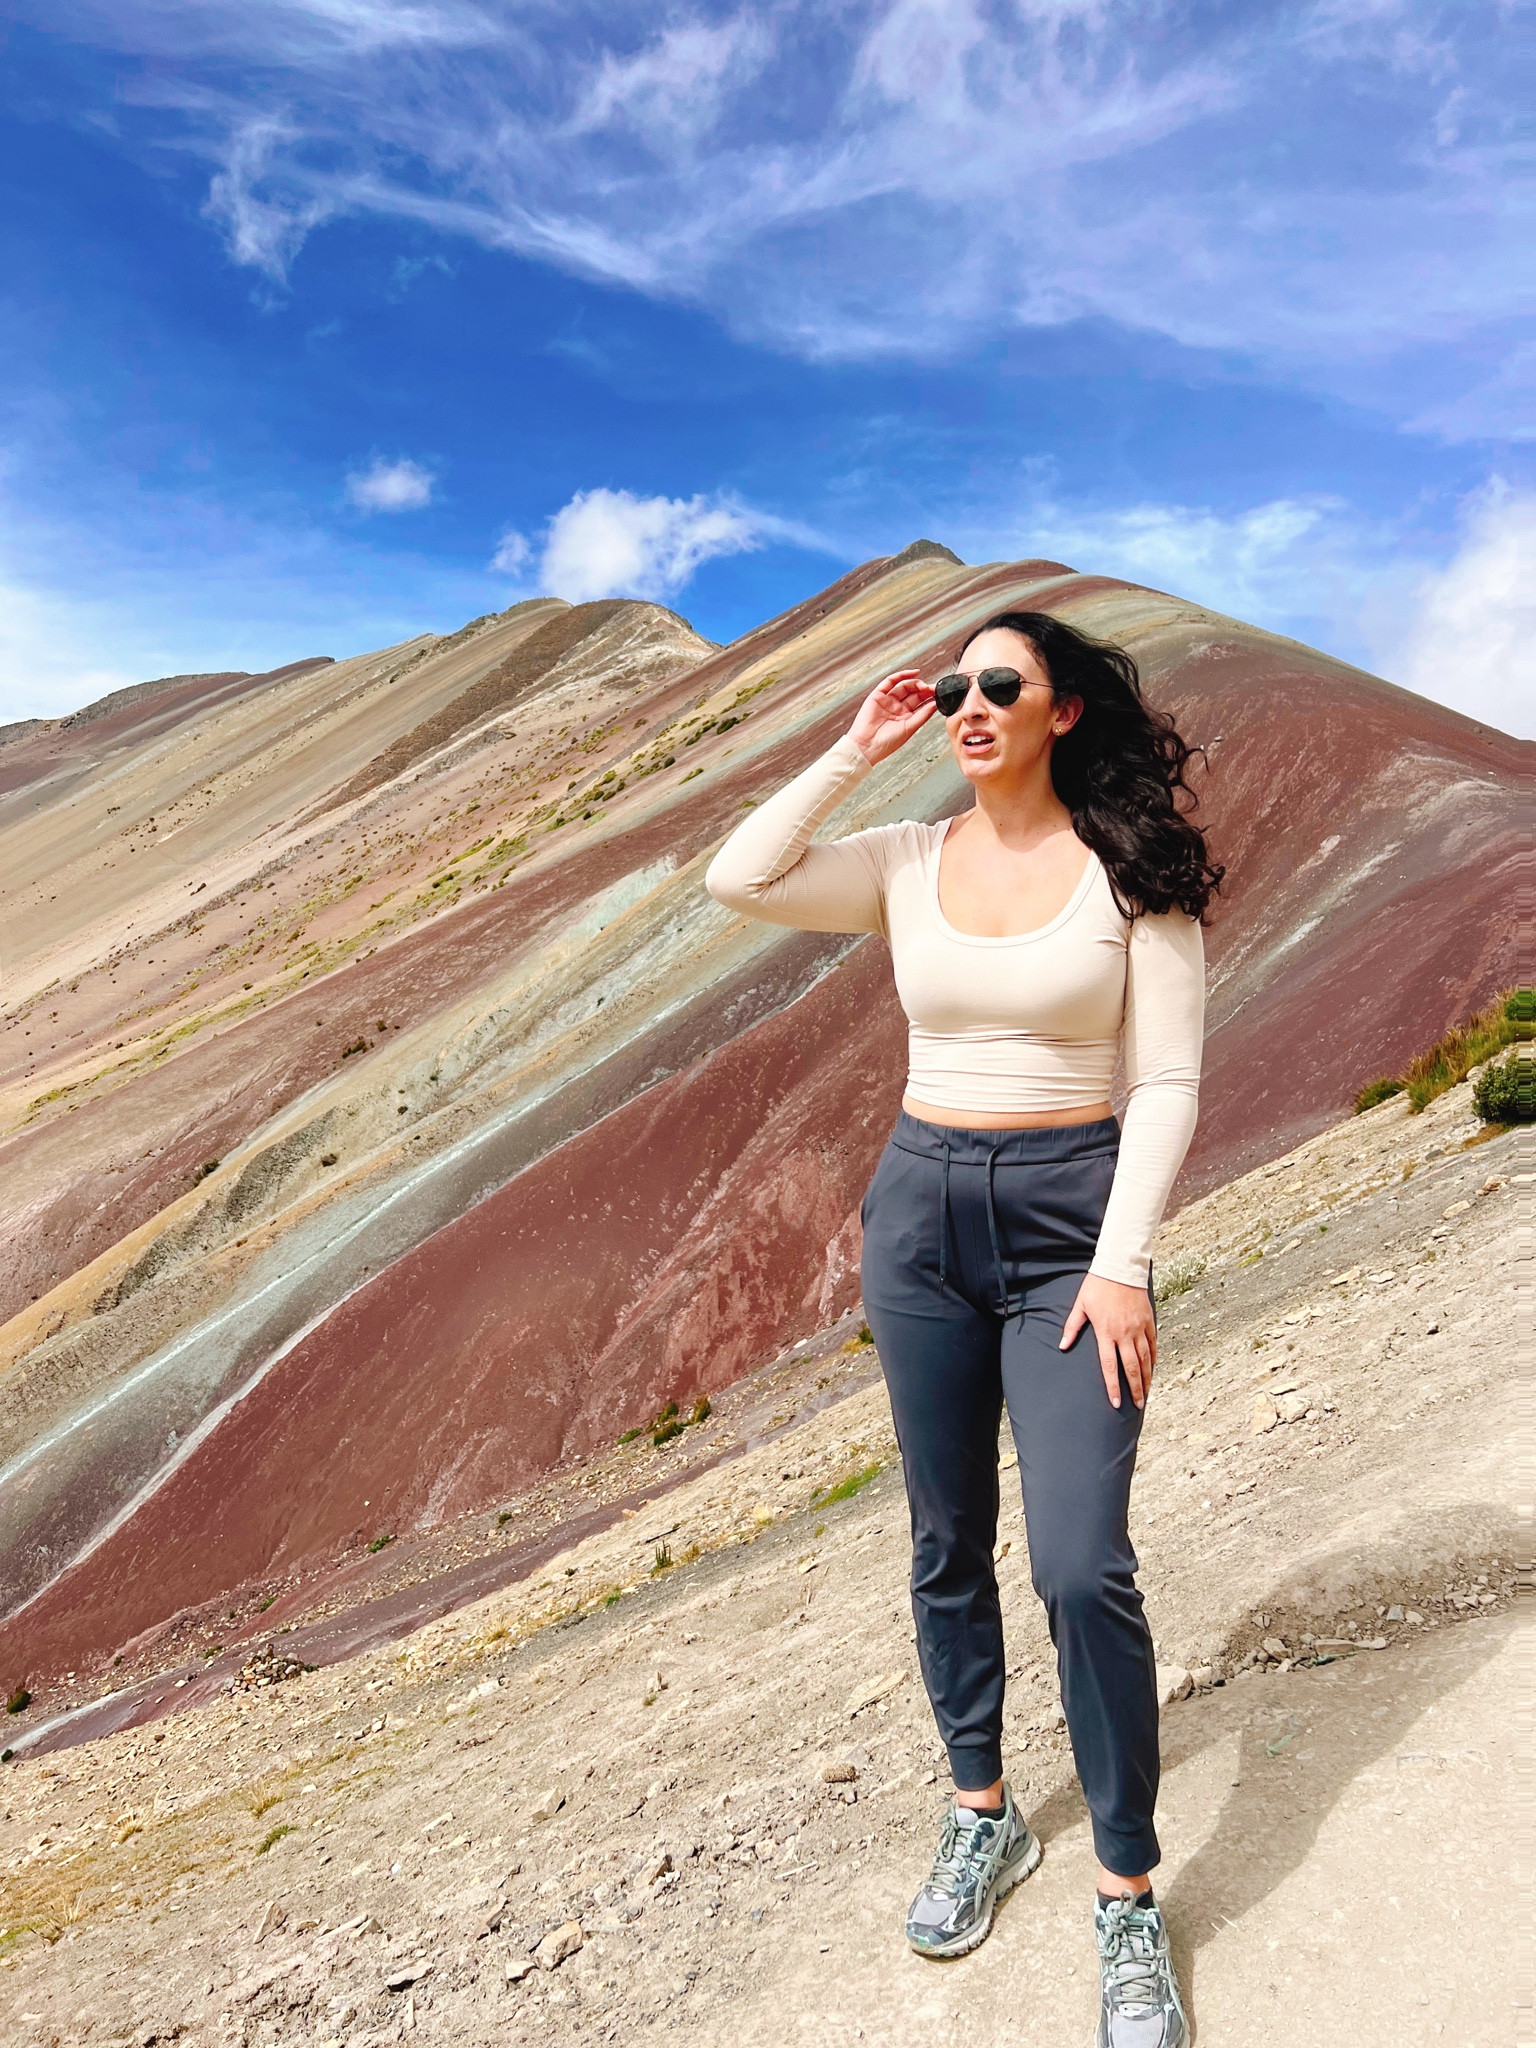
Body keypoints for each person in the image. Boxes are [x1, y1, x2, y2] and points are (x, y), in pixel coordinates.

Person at [705, 610, 1222, 2046]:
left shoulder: (1134, 871)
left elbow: (1167, 1084)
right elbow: (738, 876)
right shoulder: (907, 859)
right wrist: (853, 749)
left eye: (1002, 685)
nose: (970, 706)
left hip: (1071, 1228)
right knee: (945, 1539)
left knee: (1080, 1563)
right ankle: (982, 1811)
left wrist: (1123, 1267)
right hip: (922, 1216)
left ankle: (1126, 1892)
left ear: (1065, 711)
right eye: (954, 690)